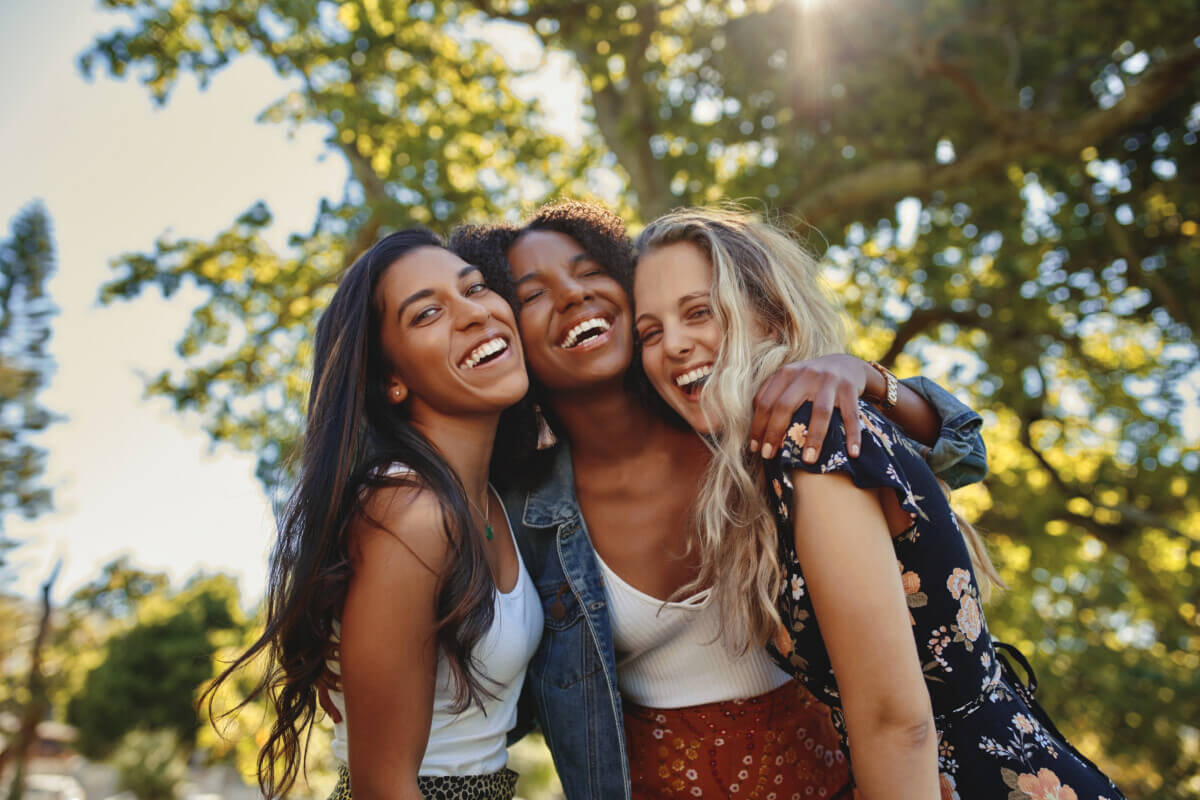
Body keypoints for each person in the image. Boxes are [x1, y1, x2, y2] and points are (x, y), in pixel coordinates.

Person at [447, 201, 991, 800]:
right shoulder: (520, 515)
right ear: (508, 331)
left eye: (588, 271)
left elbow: (957, 457)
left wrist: (863, 375)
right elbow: (500, 696)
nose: (573, 295)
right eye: (533, 294)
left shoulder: (740, 413)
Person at [631, 207, 1126, 800]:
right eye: (651, 333)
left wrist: (868, 376)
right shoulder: (773, 456)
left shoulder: (814, 437)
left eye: (698, 312)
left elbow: (898, 723)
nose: (676, 345)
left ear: (768, 313)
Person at [205, 229, 542, 800]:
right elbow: (383, 787)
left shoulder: (493, 498)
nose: (473, 314)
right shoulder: (407, 512)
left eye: (476, 288)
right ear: (392, 380)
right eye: (427, 313)